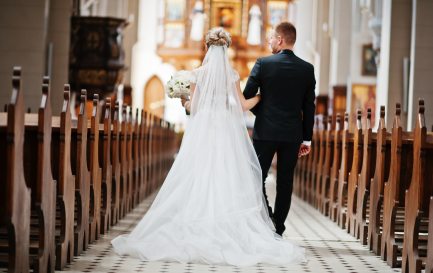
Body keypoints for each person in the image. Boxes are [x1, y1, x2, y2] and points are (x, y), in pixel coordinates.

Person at [111, 27, 306, 266]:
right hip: (225, 126)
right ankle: (233, 226)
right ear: (226, 49)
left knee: (200, 172)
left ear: (206, 48)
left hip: (204, 127)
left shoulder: (198, 74)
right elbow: (243, 105)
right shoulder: (233, 74)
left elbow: (193, 107)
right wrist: (264, 97)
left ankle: (197, 220)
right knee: (225, 173)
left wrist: (183, 98)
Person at [243, 22, 316, 236]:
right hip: (292, 134)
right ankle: (278, 227)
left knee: (257, 177)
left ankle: (267, 218)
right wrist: (307, 139)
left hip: (265, 131)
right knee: (285, 181)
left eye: (271, 38)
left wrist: (264, 113)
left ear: (280, 40)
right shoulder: (307, 69)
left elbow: (247, 95)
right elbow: (309, 107)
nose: (269, 42)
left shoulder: (263, 64)